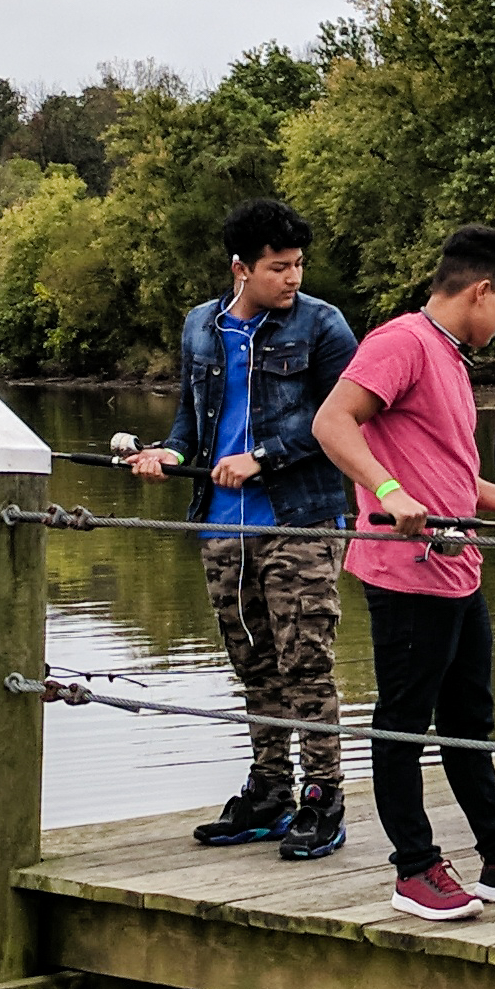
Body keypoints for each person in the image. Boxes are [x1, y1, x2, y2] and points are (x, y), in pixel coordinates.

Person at [316, 224, 495, 922]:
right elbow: (333, 423)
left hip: (456, 567)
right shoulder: (401, 342)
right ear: (479, 290)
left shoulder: (447, 356)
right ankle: (414, 870)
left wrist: (489, 494)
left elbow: (433, 460)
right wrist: (386, 492)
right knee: (403, 721)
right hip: (406, 569)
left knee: (469, 716)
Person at [117, 197, 359, 856]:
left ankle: (323, 797)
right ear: (240, 269)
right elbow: (189, 430)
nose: (293, 278)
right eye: (279, 267)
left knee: (305, 664)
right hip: (222, 527)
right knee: (253, 666)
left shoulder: (324, 327)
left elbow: (347, 422)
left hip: (301, 520)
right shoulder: (201, 328)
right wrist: (167, 455)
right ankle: (271, 794)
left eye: (298, 265)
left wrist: (264, 457)